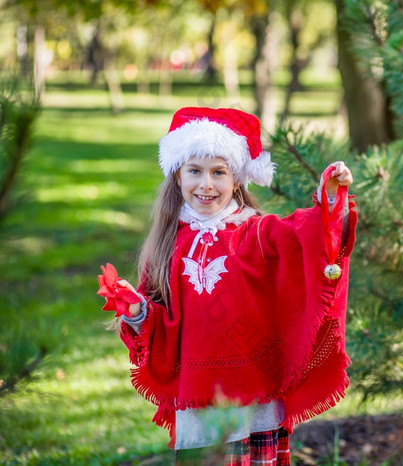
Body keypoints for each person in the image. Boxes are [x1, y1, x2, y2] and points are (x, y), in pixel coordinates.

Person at [102, 107, 357, 464]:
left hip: (255, 393)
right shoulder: (166, 244)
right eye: (195, 171)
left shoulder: (256, 232)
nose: (206, 184)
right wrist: (137, 310)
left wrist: (330, 200)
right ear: (177, 176)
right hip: (197, 396)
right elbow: (161, 325)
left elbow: (307, 238)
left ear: (237, 179)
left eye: (218, 172)